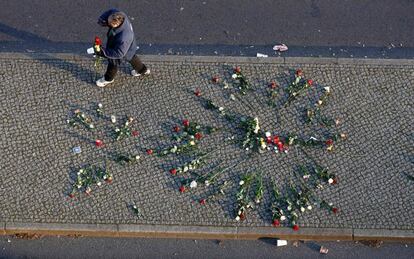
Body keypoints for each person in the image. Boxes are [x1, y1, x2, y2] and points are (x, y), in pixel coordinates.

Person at [95, 9, 150, 87]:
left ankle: (108, 79)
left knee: (113, 63)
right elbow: (110, 11)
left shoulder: (124, 37)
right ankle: (143, 70)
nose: (108, 24)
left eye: (110, 24)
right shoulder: (120, 15)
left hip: (121, 49)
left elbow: (118, 53)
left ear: (117, 24)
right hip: (129, 47)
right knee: (132, 57)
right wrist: (102, 20)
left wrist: (102, 52)